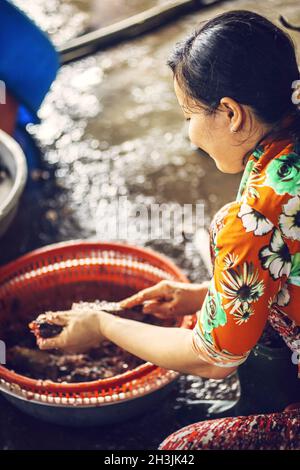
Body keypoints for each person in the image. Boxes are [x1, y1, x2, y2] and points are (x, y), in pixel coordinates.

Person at [35, 10, 300, 449]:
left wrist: (101, 325)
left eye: (188, 115)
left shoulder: (253, 219)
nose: (190, 135)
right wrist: (205, 294)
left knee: (177, 451)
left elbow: (210, 358)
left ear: (231, 113)